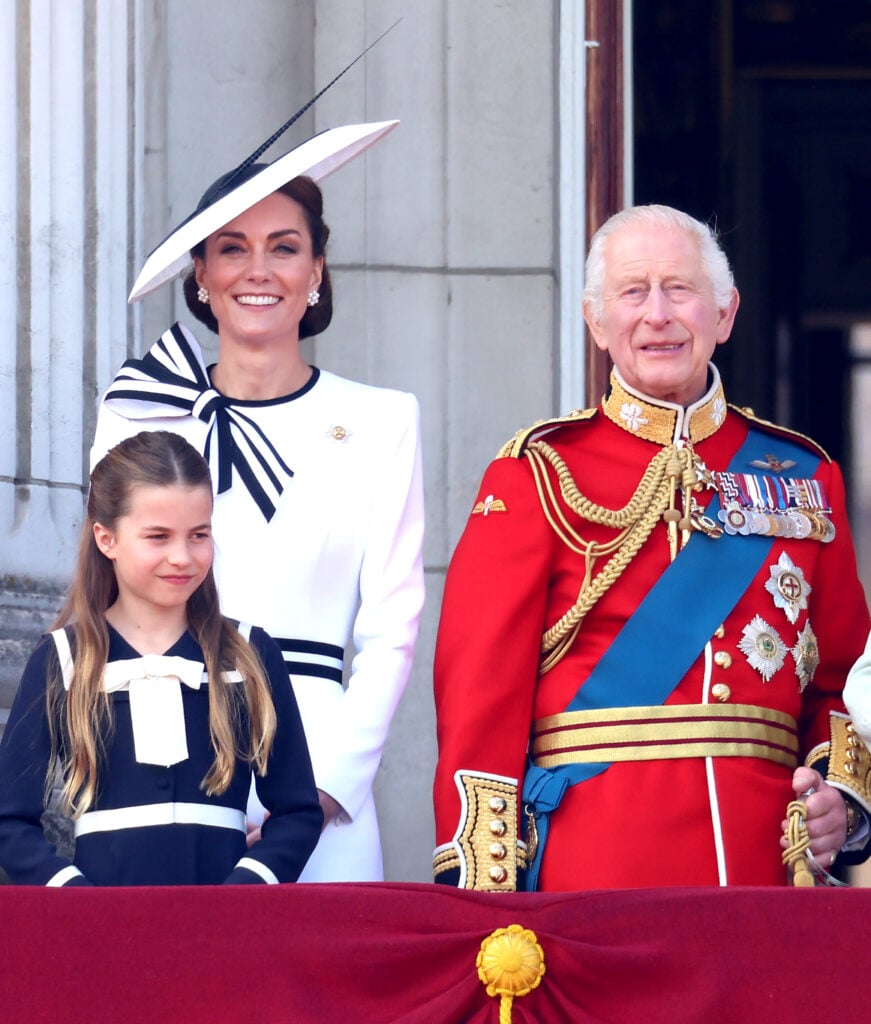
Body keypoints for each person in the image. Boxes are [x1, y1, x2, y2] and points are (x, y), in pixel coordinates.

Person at [432, 204, 871, 891]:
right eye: (632, 291)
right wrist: (484, 891)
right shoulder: (537, 473)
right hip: (591, 866)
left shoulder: (805, 478)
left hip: (765, 869)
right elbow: (478, 699)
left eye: (681, 289)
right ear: (596, 321)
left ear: (724, 315)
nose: (657, 314)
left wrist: (839, 804)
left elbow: (840, 680)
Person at [90, 122, 424, 882]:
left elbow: (391, 628)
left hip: (318, 772)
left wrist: (326, 787)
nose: (258, 269)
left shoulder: (382, 420)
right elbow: (108, 594)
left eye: (284, 246)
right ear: (200, 275)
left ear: (316, 272)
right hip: (163, 763)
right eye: (231, 247)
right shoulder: (140, 411)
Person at [0, 431, 322, 886]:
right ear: (106, 539)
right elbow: (9, 822)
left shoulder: (251, 655)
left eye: (198, 535)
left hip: (227, 932)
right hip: (105, 934)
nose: (182, 557)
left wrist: (247, 890)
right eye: (158, 537)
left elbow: (298, 811)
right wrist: (75, 900)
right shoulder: (61, 661)